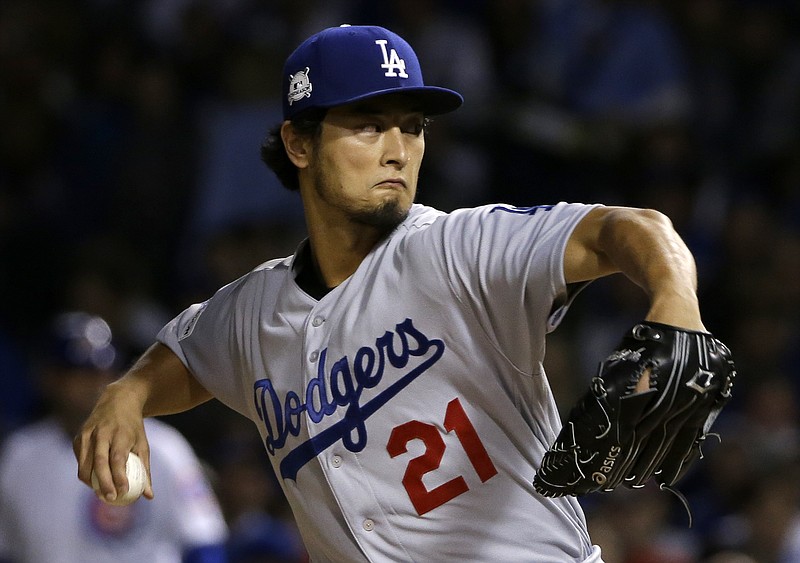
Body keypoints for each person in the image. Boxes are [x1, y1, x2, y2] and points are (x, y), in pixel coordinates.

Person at [74, 25, 712, 562]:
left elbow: (627, 230)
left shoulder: (456, 249)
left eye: (413, 127)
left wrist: (676, 304)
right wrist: (125, 393)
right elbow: (185, 356)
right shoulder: (251, 313)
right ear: (299, 142)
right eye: (369, 125)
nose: (398, 151)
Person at [0, 311, 229, 563]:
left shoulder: (164, 446)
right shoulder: (20, 455)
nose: (96, 383)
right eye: (81, 373)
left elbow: (205, 541)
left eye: (103, 371)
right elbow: (7, 549)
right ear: (50, 379)